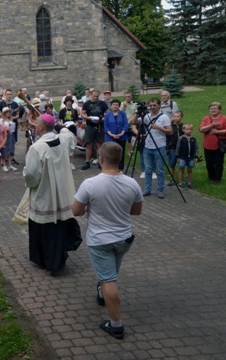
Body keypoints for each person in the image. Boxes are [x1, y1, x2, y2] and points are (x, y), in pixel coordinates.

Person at [72, 142, 142, 339]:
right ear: (120, 160)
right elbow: (136, 212)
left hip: (100, 240)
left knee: (108, 279)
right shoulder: (133, 183)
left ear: (101, 159)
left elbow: (76, 211)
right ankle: (103, 293)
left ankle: (116, 324)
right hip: (123, 239)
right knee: (111, 273)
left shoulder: (90, 184)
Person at [23, 114, 81, 275]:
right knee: (58, 227)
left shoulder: (37, 148)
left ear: (41, 128)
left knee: (44, 228)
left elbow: (31, 176)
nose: (34, 127)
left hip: (45, 195)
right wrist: (59, 125)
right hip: (63, 194)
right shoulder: (63, 140)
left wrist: (27, 180)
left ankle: (44, 260)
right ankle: (56, 259)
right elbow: (69, 134)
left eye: (36, 125)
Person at [131, 98, 172, 198]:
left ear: (159, 106)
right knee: (148, 170)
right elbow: (134, 122)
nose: (152, 107)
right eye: (151, 105)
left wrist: (158, 127)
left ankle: (160, 189)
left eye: (154, 105)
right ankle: (147, 189)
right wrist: (137, 112)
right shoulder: (147, 116)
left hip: (159, 146)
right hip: (147, 146)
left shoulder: (164, 117)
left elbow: (170, 131)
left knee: (160, 170)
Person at [81, 89, 108, 170]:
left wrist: (103, 118)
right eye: (94, 96)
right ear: (91, 95)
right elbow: (82, 114)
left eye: (97, 96)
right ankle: (87, 162)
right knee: (89, 144)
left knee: (100, 144)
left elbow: (107, 113)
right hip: (90, 125)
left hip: (100, 125)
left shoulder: (102, 103)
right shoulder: (87, 103)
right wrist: (89, 118)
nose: (95, 98)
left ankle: (100, 162)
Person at [199, 102, 226, 184]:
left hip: (219, 144)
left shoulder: (224, 118)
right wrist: (211, 125)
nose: (213, 110)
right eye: (211, 108)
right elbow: (201, 129)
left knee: (218, 162)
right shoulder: (206, 118)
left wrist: (217, 131)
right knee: (209, 162)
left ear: (220, 110)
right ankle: (211, 176)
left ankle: (218, 178)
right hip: (207, 144)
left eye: (215, 108)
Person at [103, 99, 130, 170]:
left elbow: (125, 125)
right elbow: (106, 126)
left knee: (120, 152)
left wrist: (121, 134)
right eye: (113, 105)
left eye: (116, 105)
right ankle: (111, 168)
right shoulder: (107, 115)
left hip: (122, 137)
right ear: (111, 106)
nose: (115, 106)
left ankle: (120, 168)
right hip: (110, 137)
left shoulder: (123, 114)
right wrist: (111, 134)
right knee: (111, 152)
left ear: (119, 106)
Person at [176, 123, 198, 189]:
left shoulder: (194, 138)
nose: (189, 131)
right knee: (181, 169)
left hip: (190, 157)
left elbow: (196, 147)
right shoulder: (181, 138)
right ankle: (180, 183)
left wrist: (196, 156)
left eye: (190, 129)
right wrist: (177, 156)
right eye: (187, 129)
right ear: (183, 130)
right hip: (182, 157)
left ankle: (189, 182)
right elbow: (178, 147)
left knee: (190, 170)